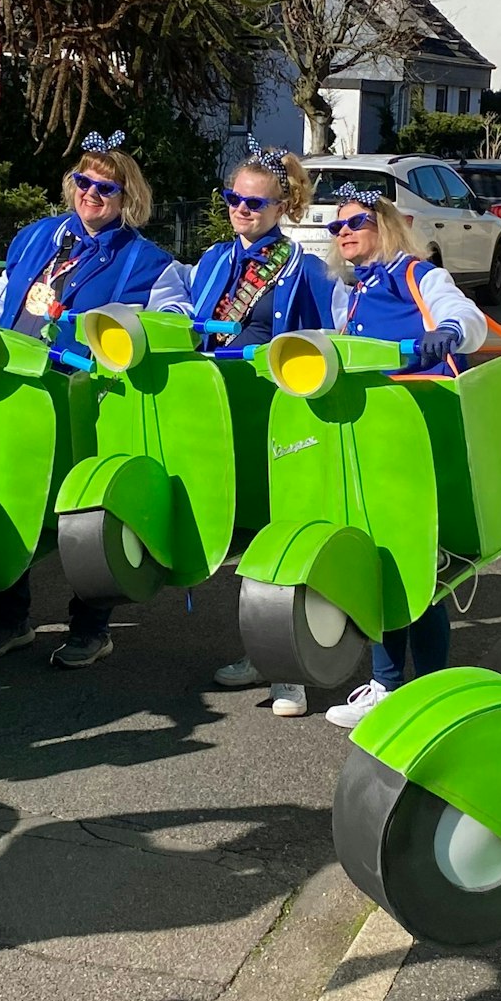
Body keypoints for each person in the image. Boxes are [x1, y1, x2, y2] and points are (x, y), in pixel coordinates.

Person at [0, 130, 184, 669]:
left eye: (106, 189)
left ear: (127, 197)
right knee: (7, 499)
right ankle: (9, 617)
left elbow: (173, 320)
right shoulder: (38, 235)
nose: (92, 194)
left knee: (87, 512)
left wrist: (123, 332)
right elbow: (2, 299)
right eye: (84, 182)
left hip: (88, 400)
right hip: (15, 388)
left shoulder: (147, 260)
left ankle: (91, 626)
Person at [170, 136, 334, 718]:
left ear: (282, 209)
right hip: (218, 415)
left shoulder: (304, 269)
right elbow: (188, 325)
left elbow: (329, 345)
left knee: (277, 540)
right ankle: (257, 652)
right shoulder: (212, 261)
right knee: (238, 542)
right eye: (234, 199)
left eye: (256, 204)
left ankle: (289, 674)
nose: (242, 210)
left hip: (274, 418)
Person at [319, 183, 485, 731]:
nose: (344, 232)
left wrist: (450, 333)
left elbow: (467, 319)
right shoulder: (349, 291)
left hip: (420, 433)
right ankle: (387, 684)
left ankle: (428, 688)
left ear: (384, 223)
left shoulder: (419, 275)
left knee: (419, 563)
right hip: (366, 437)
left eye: (356, 222)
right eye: (336, 226)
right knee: (378, 561)